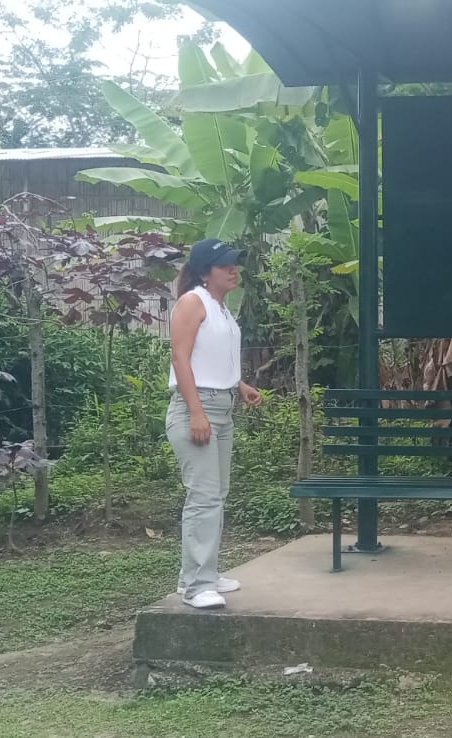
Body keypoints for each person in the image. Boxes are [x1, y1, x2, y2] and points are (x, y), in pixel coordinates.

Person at [166, 238, 263, 610]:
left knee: (215, 495)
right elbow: (180, 358)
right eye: (225, 265)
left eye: (234, 263)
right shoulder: (192, 301)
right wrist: (196, 412)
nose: (233, 270)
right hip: (198, 406)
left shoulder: (219, 307)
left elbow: (210, 356)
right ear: (205, 271)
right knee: (204, 498)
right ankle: (198, 586)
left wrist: (239, 384)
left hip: (221, 405)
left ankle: (198, 573)